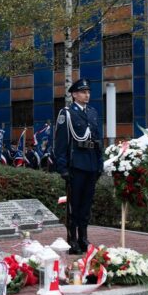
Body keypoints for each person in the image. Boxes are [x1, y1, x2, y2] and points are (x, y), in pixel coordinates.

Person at [53, 79, 103, 255]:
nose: (87, 95)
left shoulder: (93, 112)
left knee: (86, 205)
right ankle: (72, 239)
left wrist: (100, 164)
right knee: (74, 205)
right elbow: (60, 144)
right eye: (83, 92)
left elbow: (98, 141)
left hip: (90, 165)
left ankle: (83, 237)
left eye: (88, 92)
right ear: (74, 94)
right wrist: (63, 168)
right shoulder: (66, 113)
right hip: (76, 165)